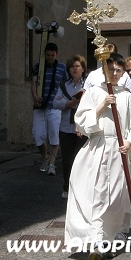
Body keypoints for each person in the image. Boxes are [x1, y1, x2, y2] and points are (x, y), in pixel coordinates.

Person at [64, 53, 131, 260]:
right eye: (112, 70)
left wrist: (129, 142)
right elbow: (81, 120)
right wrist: (101, 106)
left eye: (119, 70)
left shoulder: (127, 96)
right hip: (98, 148)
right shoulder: (93, 92)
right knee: (98, 195)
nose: (116, 74)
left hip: (119, 150)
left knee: (117, 197)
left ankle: (112, 238)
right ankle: (97, 241)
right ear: (104, 70)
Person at [53, 55, 87, 199]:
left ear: (83, 69)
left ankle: (81, 189)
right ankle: (67, 187)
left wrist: (67, 102)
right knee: (67, 160)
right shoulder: (63, 85)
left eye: (77, 66)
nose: (75, 68)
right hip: (66, 126)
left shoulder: (87, 85)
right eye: (72, 66)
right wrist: (71, 103)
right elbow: (56, 103)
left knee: (82, 159)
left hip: (83, 127)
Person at [31, 42, 68, 174]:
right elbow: (34, 82)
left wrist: (64, 102)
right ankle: (45, 157)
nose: (50, 57)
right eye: (48, 55)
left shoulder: (62, 68)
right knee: (38, 135)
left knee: (53, 134)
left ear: (56, 54)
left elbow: (65, 85)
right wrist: (35, 96)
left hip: (55, 106)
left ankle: (52, 164)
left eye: (52, 55)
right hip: (39, 106)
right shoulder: (38, 66)